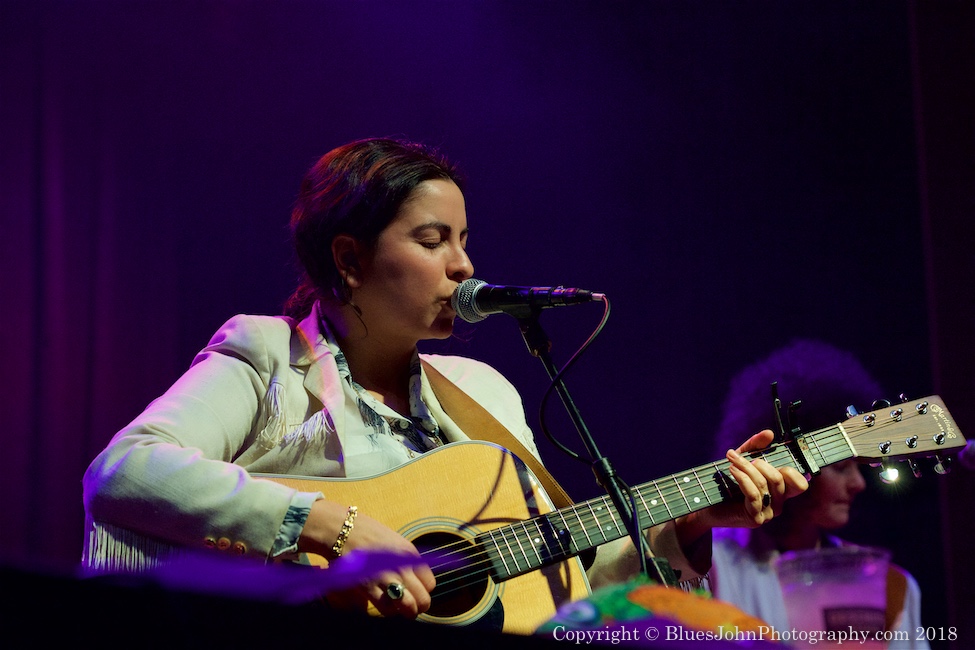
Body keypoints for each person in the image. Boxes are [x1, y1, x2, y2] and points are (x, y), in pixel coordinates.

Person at [82, 137, 807, 632]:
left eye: (463, 241)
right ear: (349, 258)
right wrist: (329, 525)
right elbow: (126, 470)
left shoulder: (484, 393)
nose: (462, 266)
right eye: (432, 241)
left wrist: (688, 526)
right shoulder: (267, 356)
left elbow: (559, 565)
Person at [709, 339, 927, 648]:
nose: (859, 484)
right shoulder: (713, 563)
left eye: (859, 467)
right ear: (784, 464)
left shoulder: (890, 584)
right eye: (841, 468)